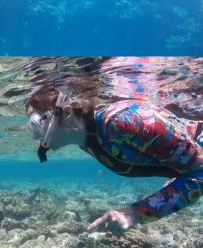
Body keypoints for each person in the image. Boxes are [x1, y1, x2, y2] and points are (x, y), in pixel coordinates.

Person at [26, 82, 203, 232]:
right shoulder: (86, 141)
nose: (35, 136)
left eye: (35, 124)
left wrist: (137, 213)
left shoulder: (126, 122)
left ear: (64, 113)